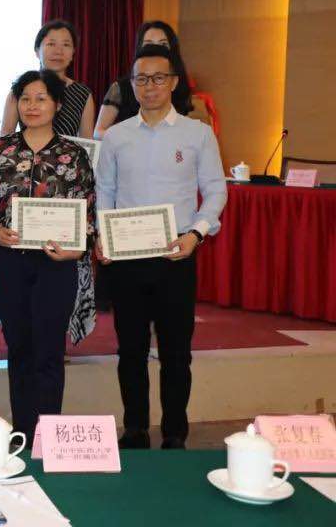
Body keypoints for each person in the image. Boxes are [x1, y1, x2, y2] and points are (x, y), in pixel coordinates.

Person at [96, 44, 227, 450]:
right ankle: (135, 429)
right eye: (141, 79)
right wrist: (103, 236)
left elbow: (216, 190)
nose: (149, 86)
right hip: (127, 259)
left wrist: (196, 234)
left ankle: (174, 433)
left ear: (173, 82)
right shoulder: (116, 136)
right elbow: (105, 192)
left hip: (177, 255)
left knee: (176, 353)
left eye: (157, 78)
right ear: (131, 84)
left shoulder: (197, 134)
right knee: (130, 350)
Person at [0, 70, 96, 444]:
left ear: (57, 105)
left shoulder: (73, 155)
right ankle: (22, 433)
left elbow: (88, 209)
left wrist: (78, 247)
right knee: (19, 348)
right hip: (10, 259)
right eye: (25, 99)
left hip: (56, 263)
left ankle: (49, 438)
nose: (32, 106)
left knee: (49, 349)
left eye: (41, 98)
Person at [0, 20, 97, 344]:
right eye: (50, 43)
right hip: (14, 243)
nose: (57, 50)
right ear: (38, 48)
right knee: (19, 338)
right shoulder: (1, 148)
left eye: (65, 44)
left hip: (59, 237)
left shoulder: (76, 145)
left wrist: (79, 242)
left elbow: (87, 197)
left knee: (50, 337)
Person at [94, 20, 193, 138]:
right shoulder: (120, 88)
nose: (155, 50)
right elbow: (98, 132)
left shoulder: (180, 84)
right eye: (148, 45)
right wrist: (134, 138)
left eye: (163, 45)